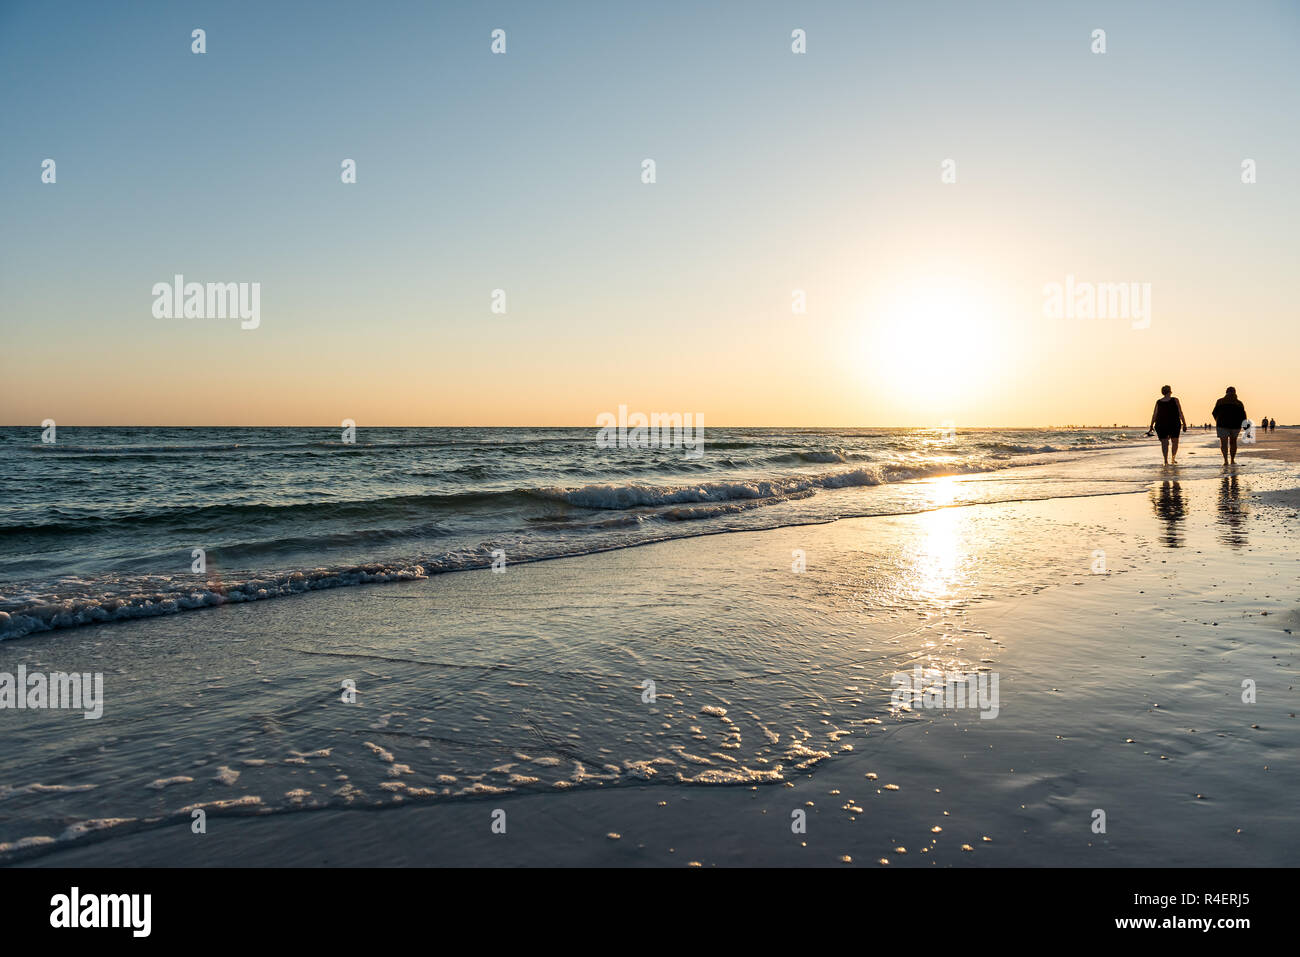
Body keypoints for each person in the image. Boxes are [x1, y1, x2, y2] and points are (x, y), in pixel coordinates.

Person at [1148, 385, 1187, 465]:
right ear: (1170, 391)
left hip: (1161, 424)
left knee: (1164, 443)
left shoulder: (1159, 402)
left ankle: (1165, 460)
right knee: (1175, 441)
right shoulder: (1175, 400)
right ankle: (1173, 458)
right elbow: (1180, 412)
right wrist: (1184, 423)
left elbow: (1154, 414)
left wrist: (1151, 425)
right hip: (1174, 423)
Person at [1211, 386, 1247, 465]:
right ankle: (1232, 460)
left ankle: (1225, 460)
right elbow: (1243, 416)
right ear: (1235, 393)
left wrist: (1217, 421)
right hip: (1235, 425)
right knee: (1233, 442)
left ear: (1226, 392)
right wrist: (1245, 428)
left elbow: (1214, 413)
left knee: (1224, 443)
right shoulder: (1239, 403)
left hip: (1222, 425)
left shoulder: (1220, 401)